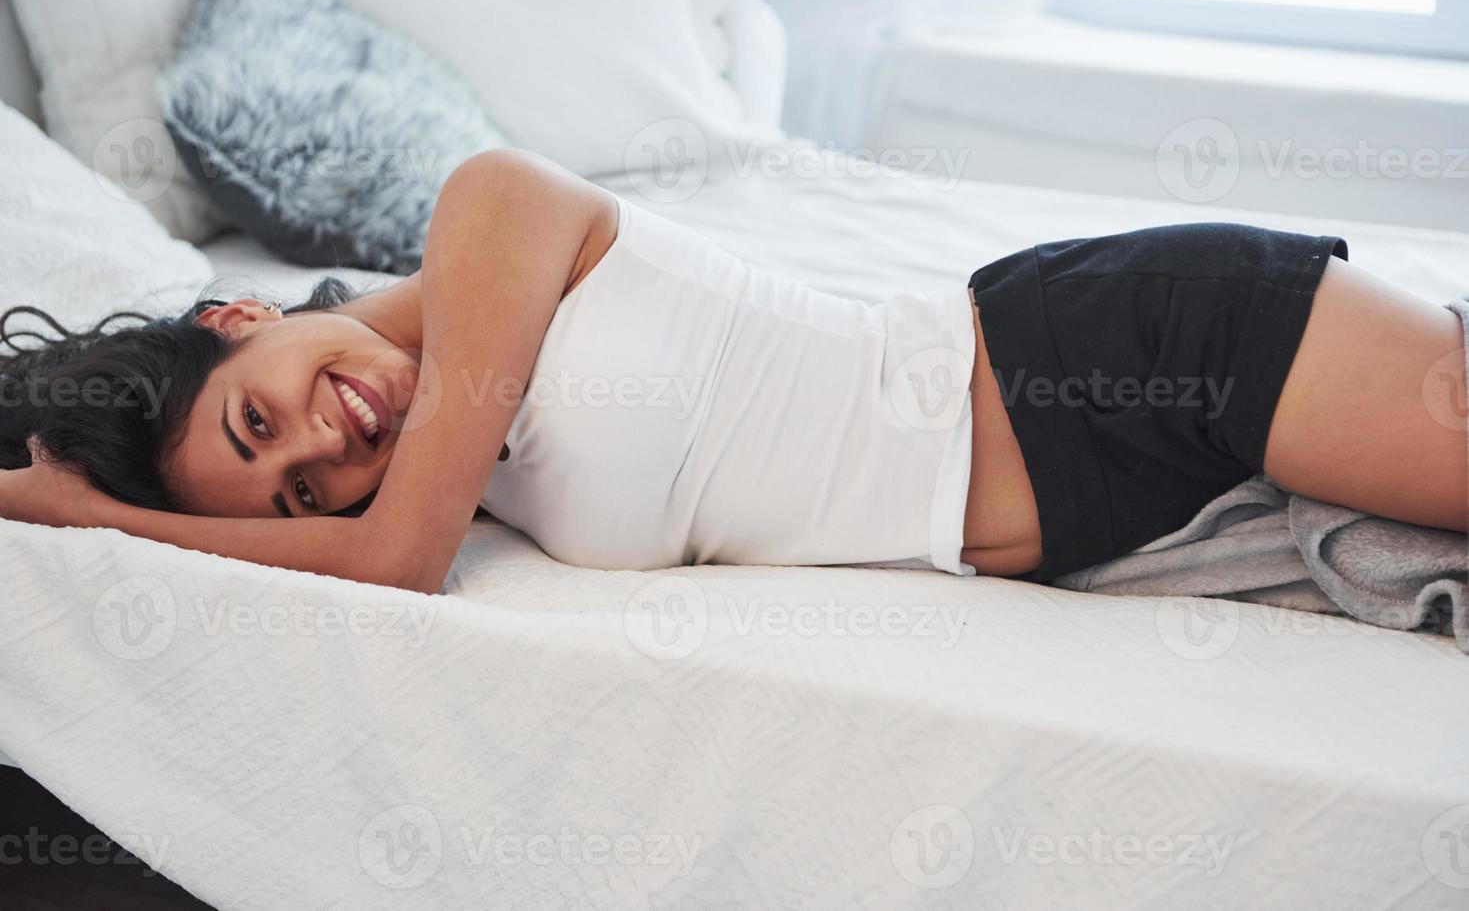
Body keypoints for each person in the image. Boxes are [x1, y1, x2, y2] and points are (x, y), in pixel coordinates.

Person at [1, 149, 1464, 593]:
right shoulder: (454, 425)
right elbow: (371, 488)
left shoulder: (492, 213)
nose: (327, 446)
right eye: (295, 493)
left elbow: (396, 562)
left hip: (1128, 351)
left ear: (235, 318)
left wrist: (94, 517)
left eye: (261, 419)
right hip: (1116, 498)